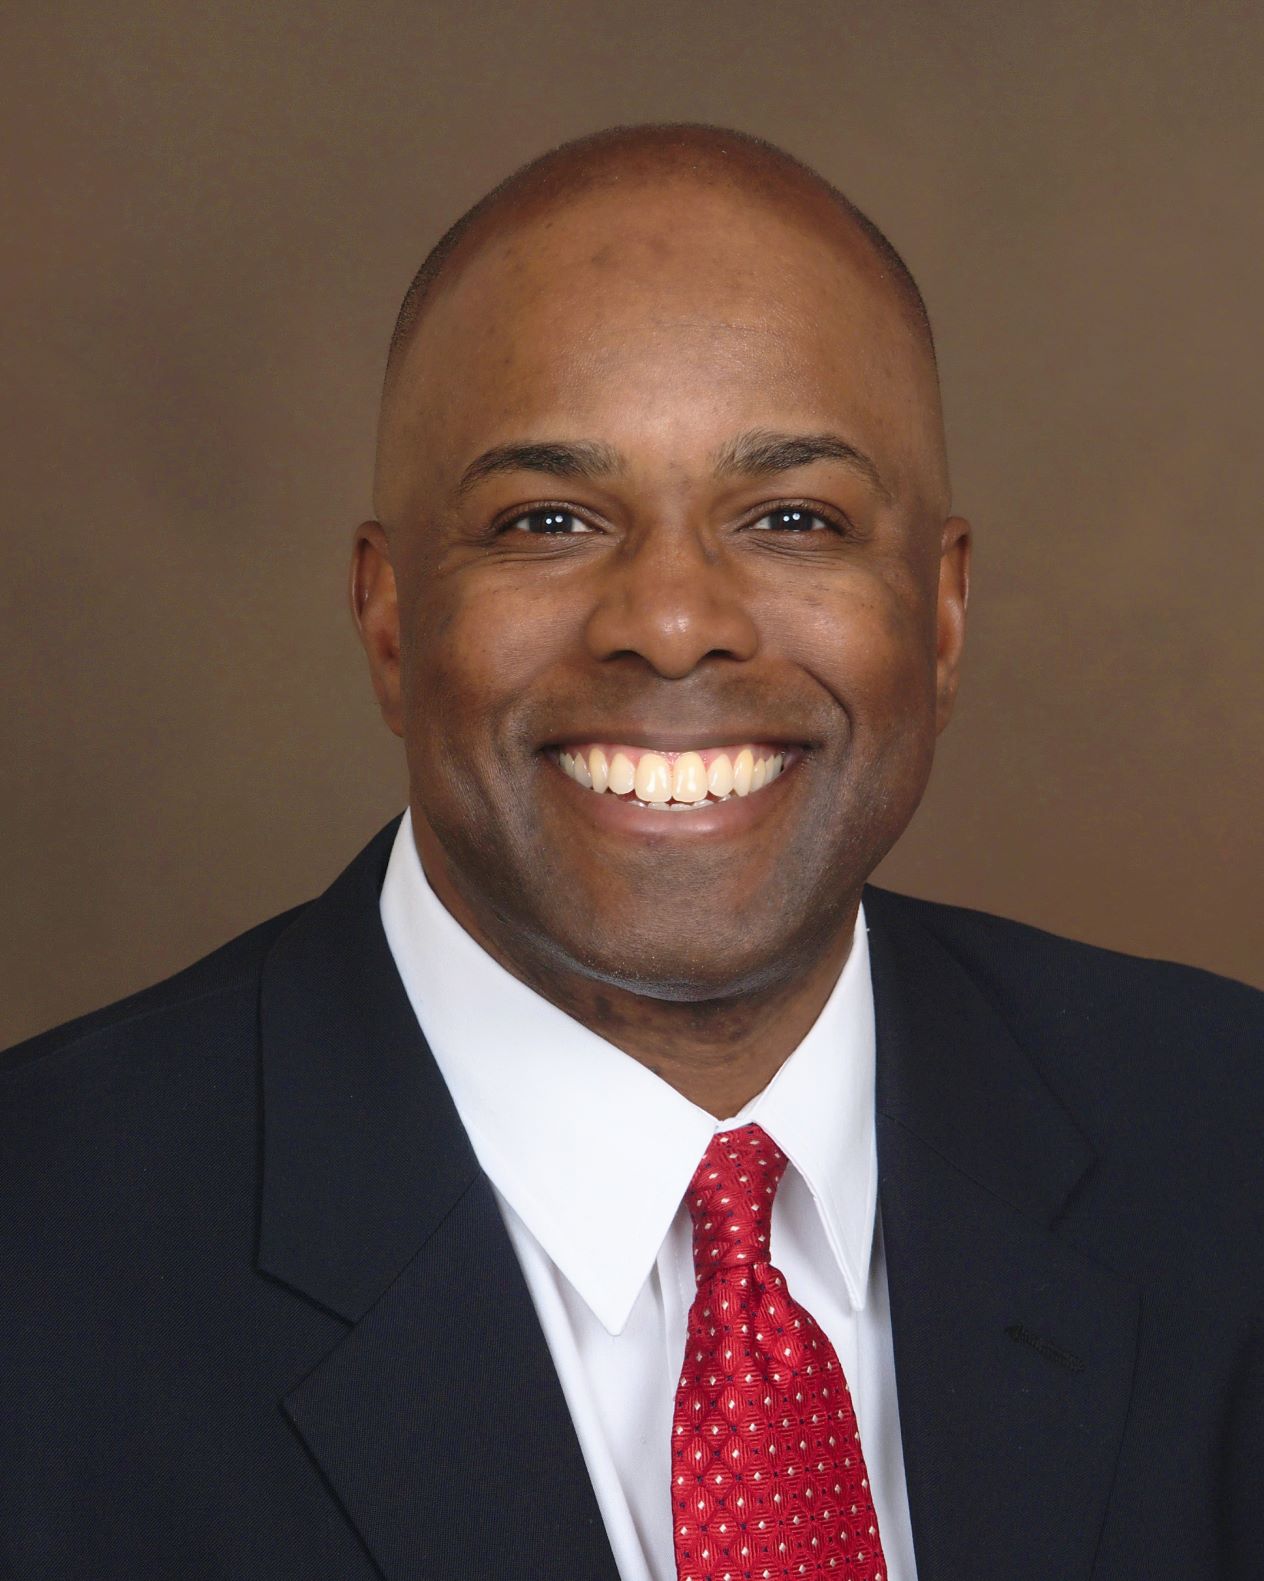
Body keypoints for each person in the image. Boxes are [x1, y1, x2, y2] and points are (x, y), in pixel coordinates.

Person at [2, 123, 1260, 1581]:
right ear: (389, 613)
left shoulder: (1229, 1152)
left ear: (941, 611)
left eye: (793, 516)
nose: (670, 621)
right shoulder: (42, 1268)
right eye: (548, 518)